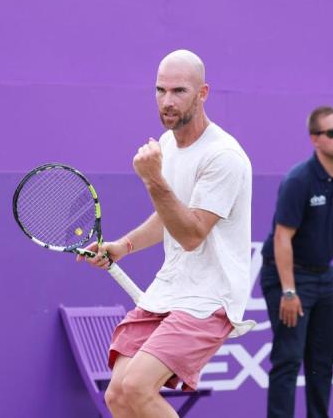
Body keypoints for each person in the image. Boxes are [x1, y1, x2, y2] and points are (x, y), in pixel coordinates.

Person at [81, 49, 254, 418]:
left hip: (210, 297)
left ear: (203, 93)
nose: (167, 101)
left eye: (179, 91)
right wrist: (122, 246)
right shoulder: (169, 146)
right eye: (160, 91)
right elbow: (168, 217)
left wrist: (153, 179)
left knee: (139, 389)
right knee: (118, 395)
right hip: (171, 288)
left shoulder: (223, 156)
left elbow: (191, 235)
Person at [259, 105, 333, 418]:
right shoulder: (299, 180)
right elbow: (282, 237)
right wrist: (289, 291)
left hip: (323, 280)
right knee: (288, 358)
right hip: (287, 277)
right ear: (314, 139)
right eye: (331, 132)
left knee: (322, 362)